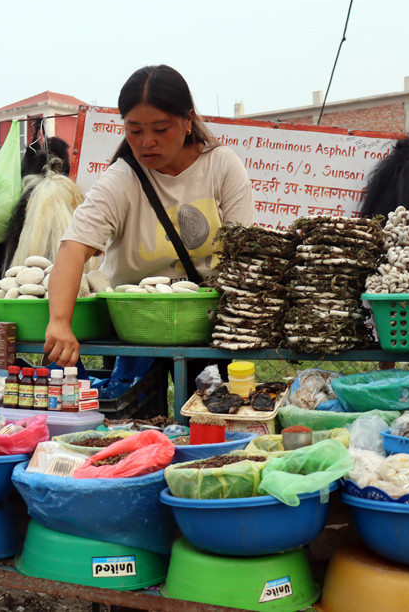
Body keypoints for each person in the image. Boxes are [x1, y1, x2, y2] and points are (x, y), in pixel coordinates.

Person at [44, 65, 254, 414]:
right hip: (135, 333)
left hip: (207, 328)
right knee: (133, 426)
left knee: (214, 422)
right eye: (134, 130)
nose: (146, 142)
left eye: (160, 129)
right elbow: (73, 247)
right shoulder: (122, 179)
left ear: (188, 121)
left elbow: (244, 254)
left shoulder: (222, 166)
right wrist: (60, 322)